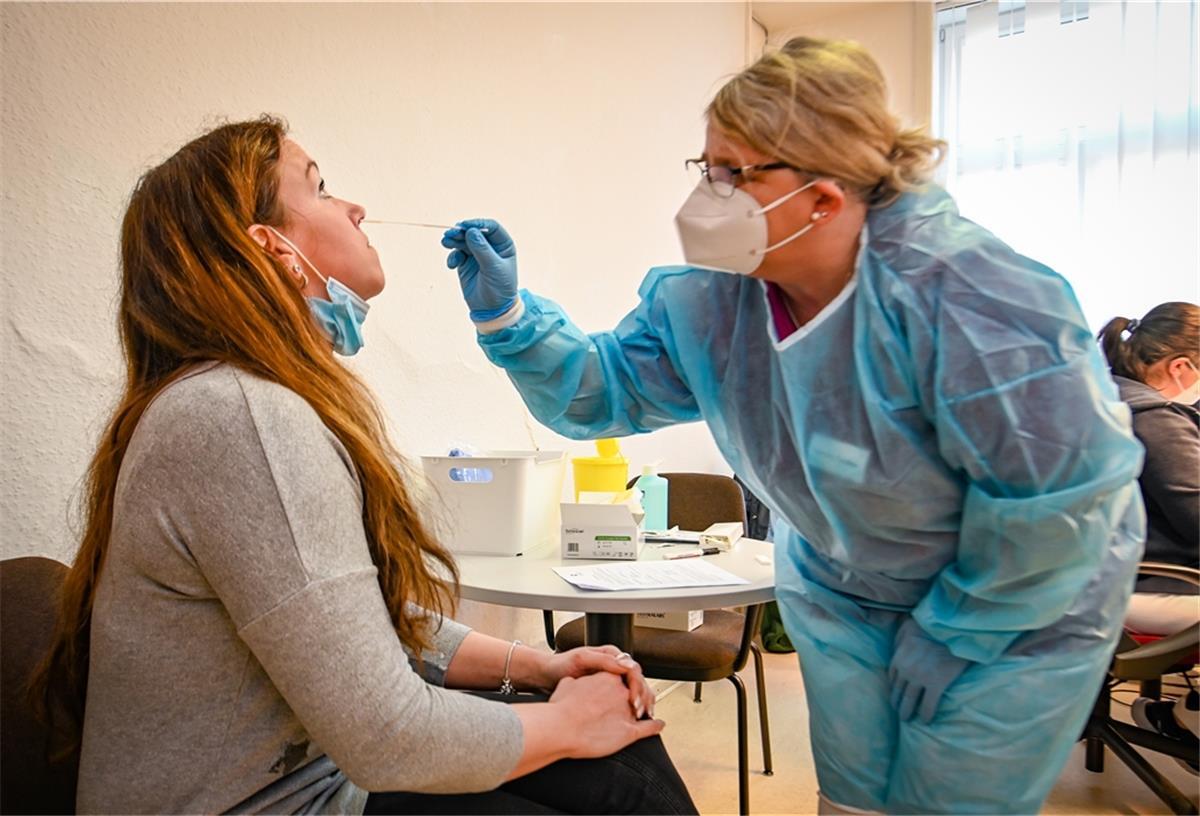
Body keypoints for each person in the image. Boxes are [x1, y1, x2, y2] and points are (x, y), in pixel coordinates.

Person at [443, 37, 1146, 814]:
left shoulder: (977, 299)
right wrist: (507, 315)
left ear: (824, 194)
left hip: (1021, 599)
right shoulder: (710, 301)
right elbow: (599, 392)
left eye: (734, 175)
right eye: (704, 168)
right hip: (843, 586)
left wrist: (960, 631)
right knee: (851, 800)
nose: (709, 196)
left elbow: (1060, 500)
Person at [31, 116, 697, 816]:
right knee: (615, 771)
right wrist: (568, 720)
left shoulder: (234, 403)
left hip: (321, 777)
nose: (355, 208)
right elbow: (390, 736)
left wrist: (538, 665)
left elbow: (351, 622)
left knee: (624, 759)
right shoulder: (241, 416)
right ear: (274, 250)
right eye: (321, 188)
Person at [1098, 303, 1199, 773]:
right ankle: (1186, 716)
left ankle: (1176, 715)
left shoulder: (1109, 398)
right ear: (1181, 368)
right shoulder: (1157, 417)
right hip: (1148, 584)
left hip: (1108, 578)